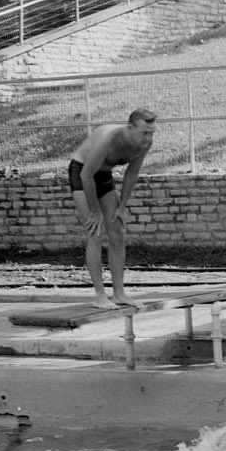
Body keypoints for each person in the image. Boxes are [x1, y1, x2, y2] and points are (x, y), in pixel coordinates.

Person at [68, 108, 156, 309]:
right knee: (95, 231)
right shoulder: (109, 139)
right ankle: (100, 295)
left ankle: (119, 294)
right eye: (144, 132)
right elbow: (86, 175)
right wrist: (95, 211)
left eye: (152, 132)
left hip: (103, 175)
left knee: (117, 231)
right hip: (82, 171)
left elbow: (132, 173)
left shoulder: (145, 143)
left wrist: (122, 206)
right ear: (130, 128)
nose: (148, 137)